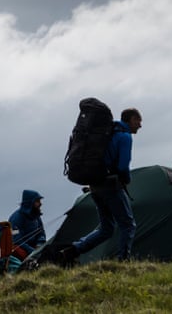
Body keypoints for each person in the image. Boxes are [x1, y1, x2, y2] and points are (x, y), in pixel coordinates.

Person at [61, 108, 142, 264]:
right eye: (138, 121)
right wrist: (126, 179)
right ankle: (123, 261)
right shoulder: (124, 137)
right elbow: (123, 166)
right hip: (111, 185)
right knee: (128, 225)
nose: (140, 125)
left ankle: (72, 251)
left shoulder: (108, 133)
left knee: (107, 228)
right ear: (130, 120)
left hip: (96, 185)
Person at [8, 190, 46, 260]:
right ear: (30, 203)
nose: (40, 204)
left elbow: (41, 233)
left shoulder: (36, 216)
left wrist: (39, 244)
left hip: (34, 248)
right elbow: (17, 240)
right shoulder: (16, 218)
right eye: (37, 201)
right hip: (22, 248)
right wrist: (32, 251)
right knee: (16, 249)